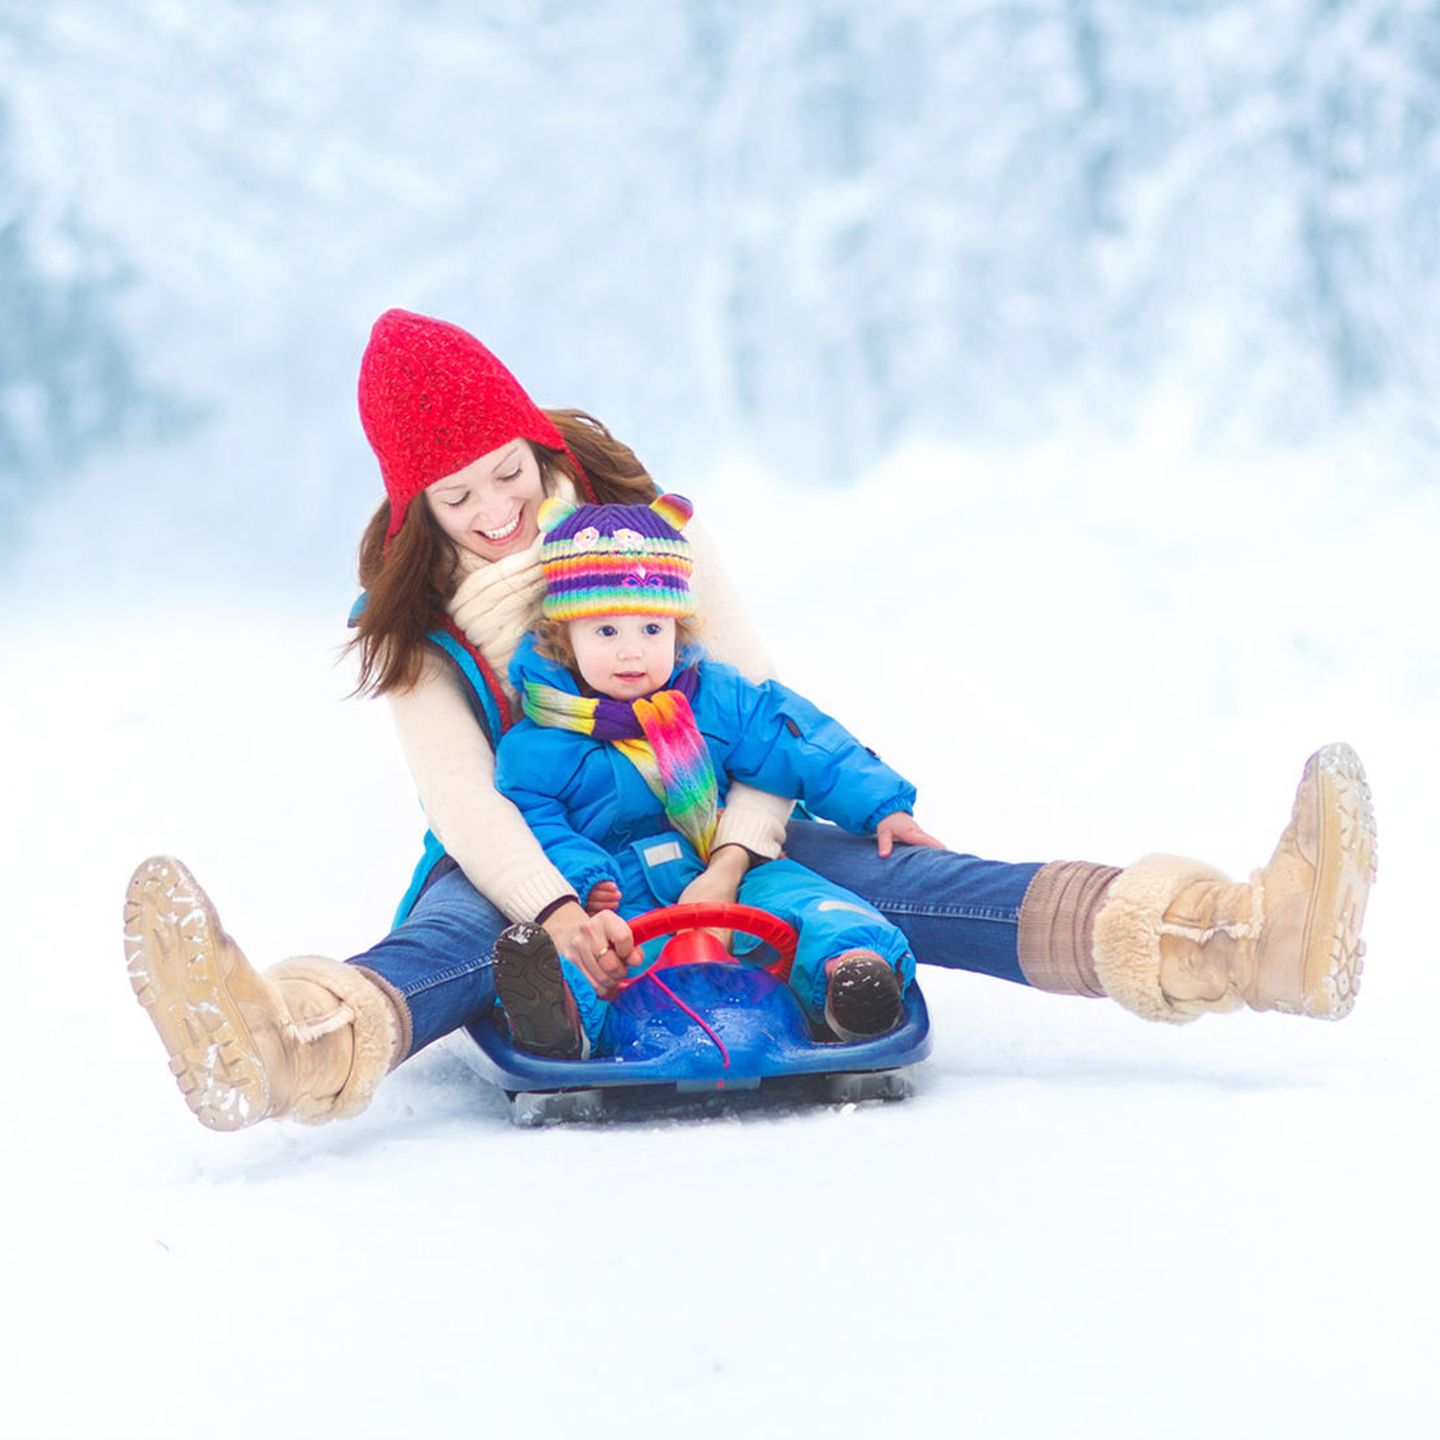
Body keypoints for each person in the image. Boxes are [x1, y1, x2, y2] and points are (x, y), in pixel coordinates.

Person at [122, 308, 1378, 1132]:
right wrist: (559, 907)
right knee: (456, 944)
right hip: (536, 856)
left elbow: (757, 705)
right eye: (462, 496)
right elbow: (468, 801)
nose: (501, 507)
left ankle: (1236, 940)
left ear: (531, 435)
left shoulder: (653, 532)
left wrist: (742, 846)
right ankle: (280, 1044)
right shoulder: (418, 635)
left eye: (509, 468)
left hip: (719, 815)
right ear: (418, 507)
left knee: (924, 880)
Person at [489, 490, 928, 1056]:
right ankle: (559, 1016)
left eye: (652, 630)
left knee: (810, 902)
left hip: (723, 865)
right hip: (622, 893)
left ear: (678, 629)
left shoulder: (711, 698)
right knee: (593, 954)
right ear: (564, 638)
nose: (632, 653)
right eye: (606, 632)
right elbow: (532, 820)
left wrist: (880, 802)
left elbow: (794, 736)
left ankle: (851, 980)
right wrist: (582, 876)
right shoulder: (540, 742)